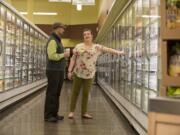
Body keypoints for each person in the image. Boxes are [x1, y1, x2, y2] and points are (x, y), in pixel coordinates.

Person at [67, 28, 125, 119]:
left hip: (90, 74)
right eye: (85, 34)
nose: (86, 36)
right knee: (75, 92)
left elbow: (108, 49)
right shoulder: (78, 46)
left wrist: (119, 52)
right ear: (83, 36)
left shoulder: (96, 47)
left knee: (86, 93)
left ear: (91, 36)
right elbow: (73, 59)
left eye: (88, 34)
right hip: (78, 73)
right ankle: (71, 112)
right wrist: (69, 71)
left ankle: (84, 112)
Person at [44, 22, 70, 122]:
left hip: (58, 70)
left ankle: (54, 114)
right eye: (62, 28)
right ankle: (48, 115)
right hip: (53, 70)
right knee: (51, 93)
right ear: (56, 28)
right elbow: (52, 56)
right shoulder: (52, 40)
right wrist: (64, 55)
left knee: (57, 93)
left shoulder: (58, 40)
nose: (63, 30)